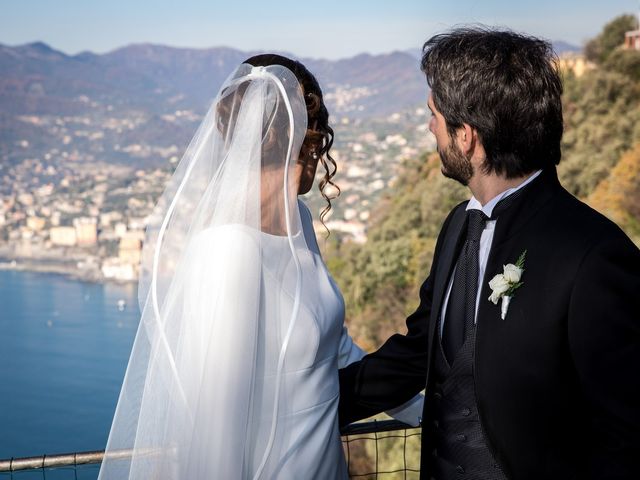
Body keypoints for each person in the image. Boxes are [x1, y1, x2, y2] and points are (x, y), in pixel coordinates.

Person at [98, 54, 422, 479]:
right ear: (308, 138)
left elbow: (335, 351)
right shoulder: (228, 250)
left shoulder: (299, 222)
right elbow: (215, 425)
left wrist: (433, 409)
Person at [339, 28, 640, 479]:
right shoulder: (459, 225)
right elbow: (420, 351)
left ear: (468, 138)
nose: (429, 127)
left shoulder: (594, 256)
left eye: (435, 115)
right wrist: (310, 401)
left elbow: (626, 436)